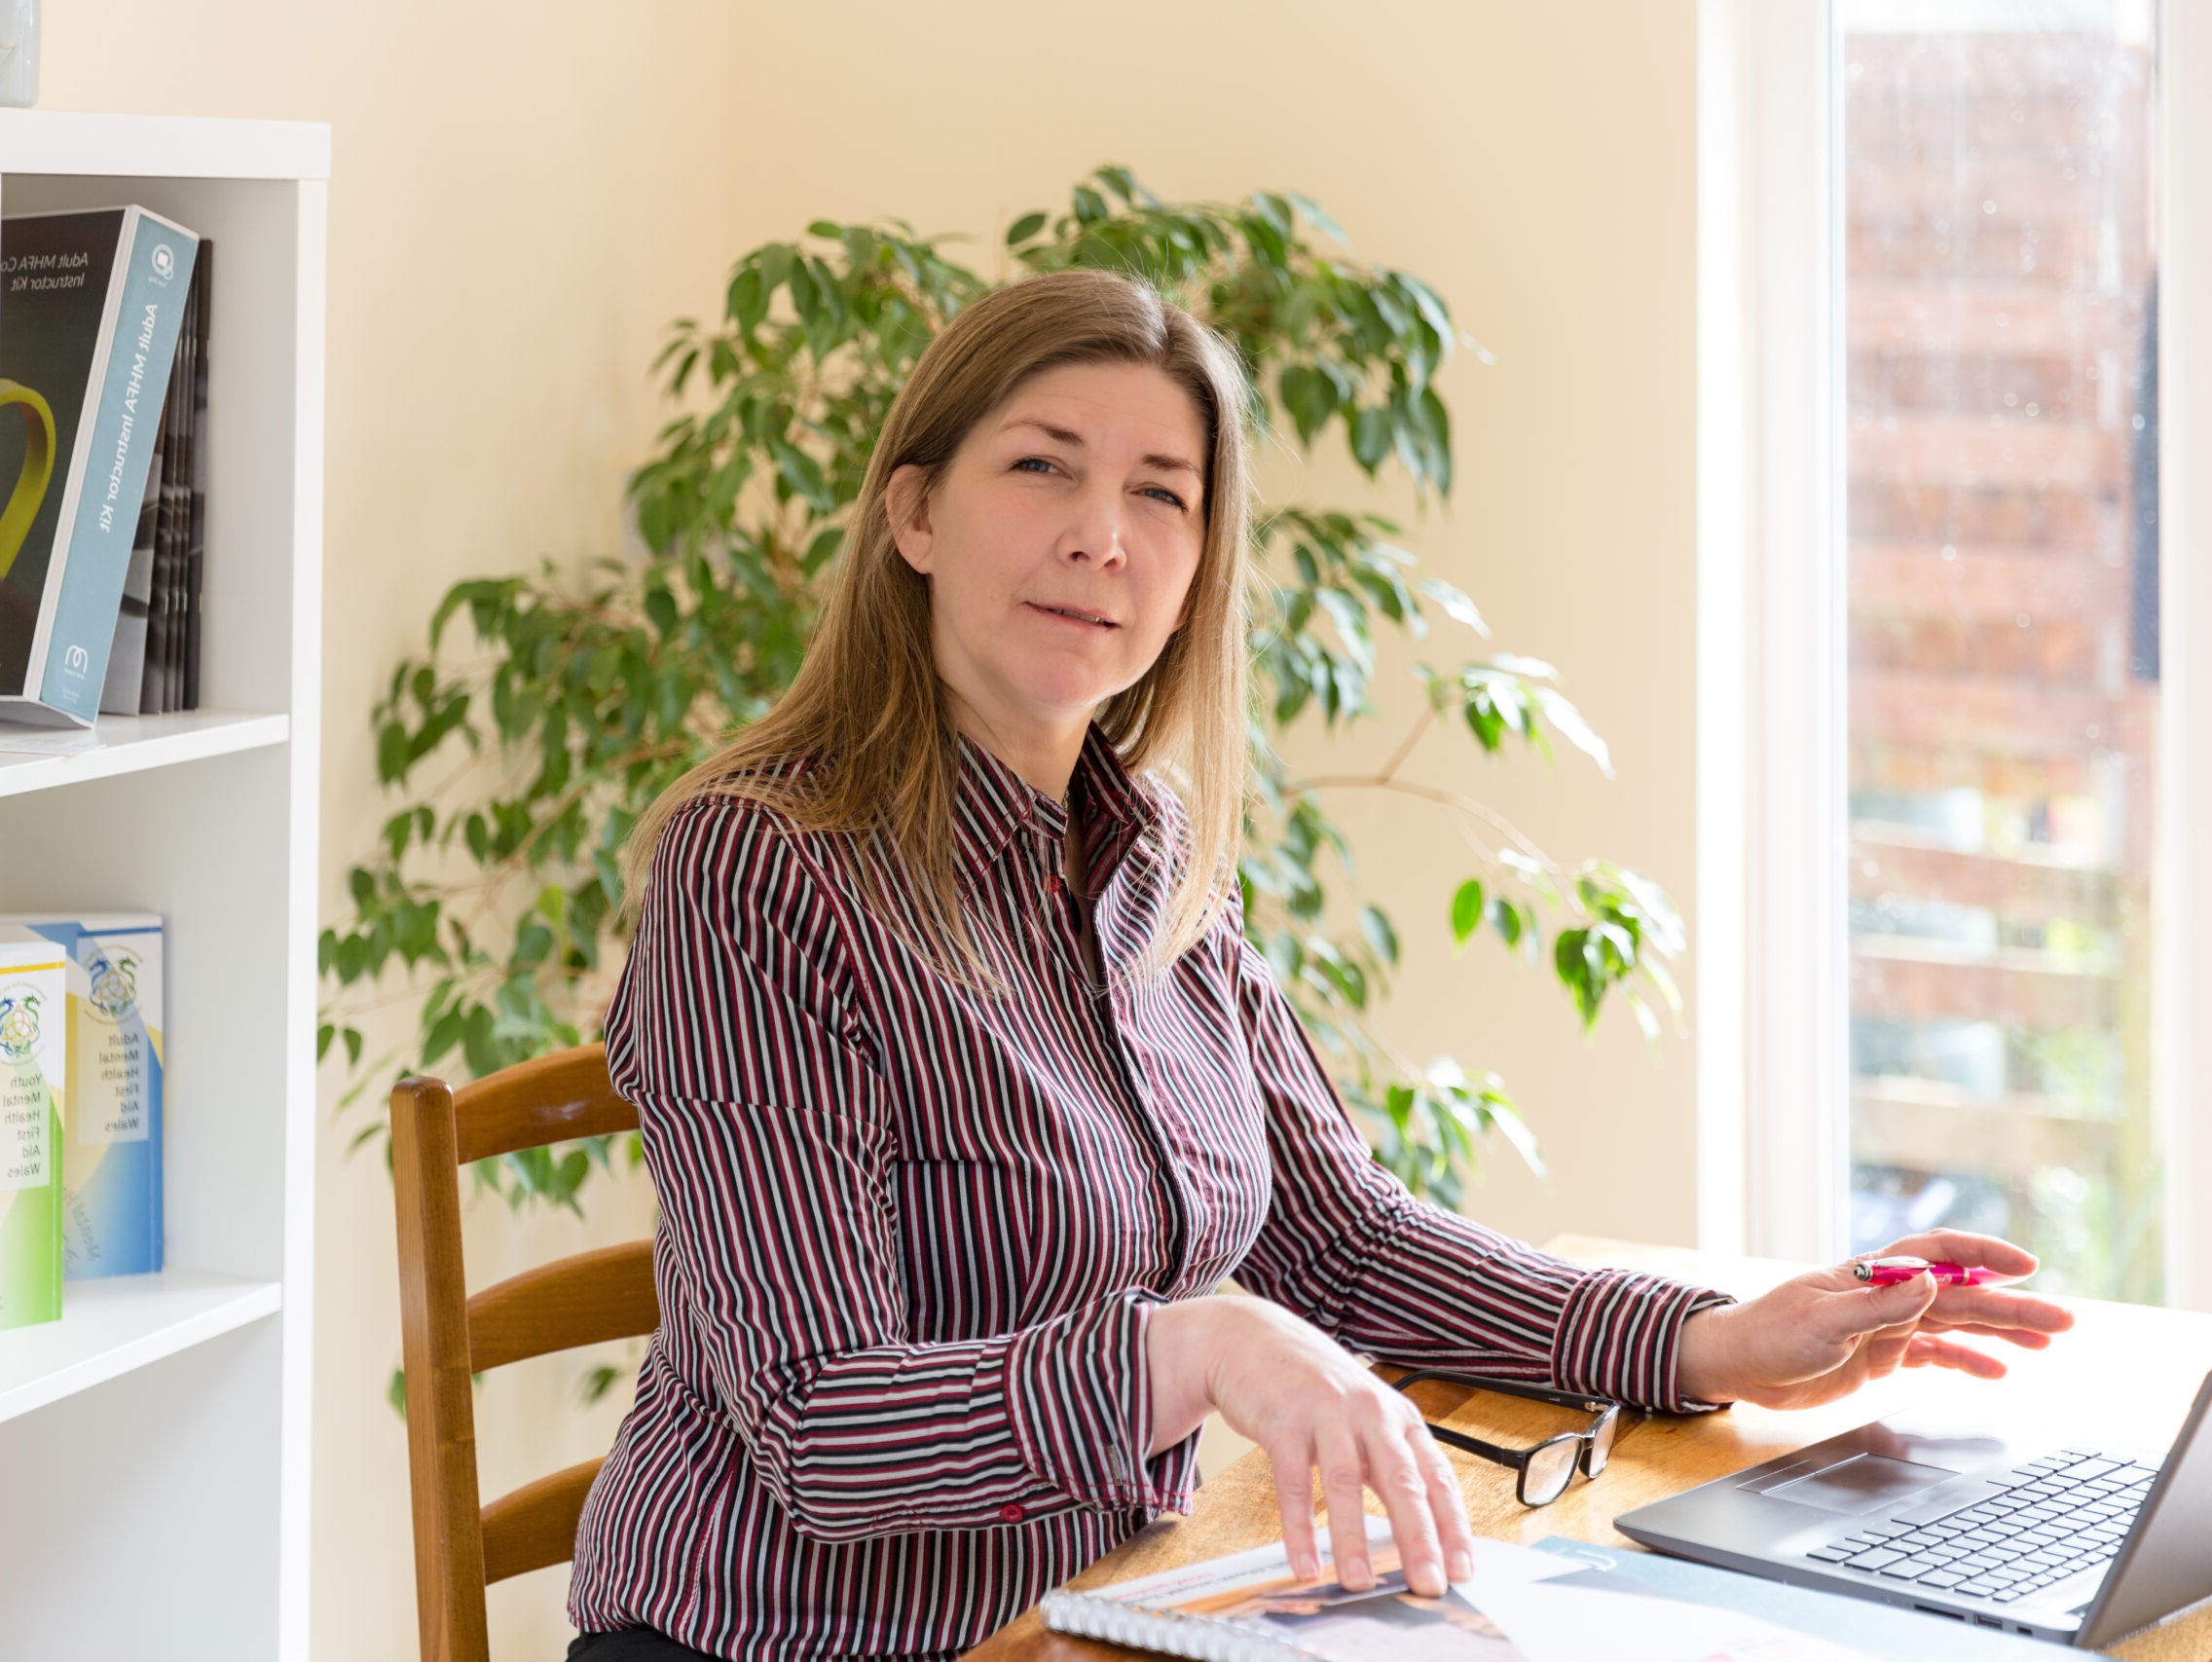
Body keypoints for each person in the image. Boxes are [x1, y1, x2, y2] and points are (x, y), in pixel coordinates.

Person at [564, 268, 2073, 1662]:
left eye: (1162, 494)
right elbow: (828, 1432)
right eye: (1042, 466)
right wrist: (1200, 1346)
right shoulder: (757, 870)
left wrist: (1707, 1338)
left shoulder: (1151, 853)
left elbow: (1340, 1244)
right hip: (781, 1639)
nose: (1104, 535)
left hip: (1092, 1619)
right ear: (914, 516)